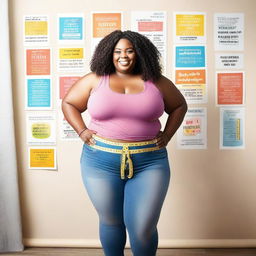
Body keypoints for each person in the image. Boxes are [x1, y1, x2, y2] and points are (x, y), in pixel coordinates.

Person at [62, 30, 187, 256]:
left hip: (150, 162)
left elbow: (179, 105)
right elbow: (69, 102)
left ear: (139, 54)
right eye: (117, 51)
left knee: (142, 227)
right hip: (99, 161)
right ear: (108, 54)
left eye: (129, 51)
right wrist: (81, 131)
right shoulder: (94, 80)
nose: (123, 56)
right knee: (111, 221)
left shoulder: (157, 81)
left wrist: (167, 135)